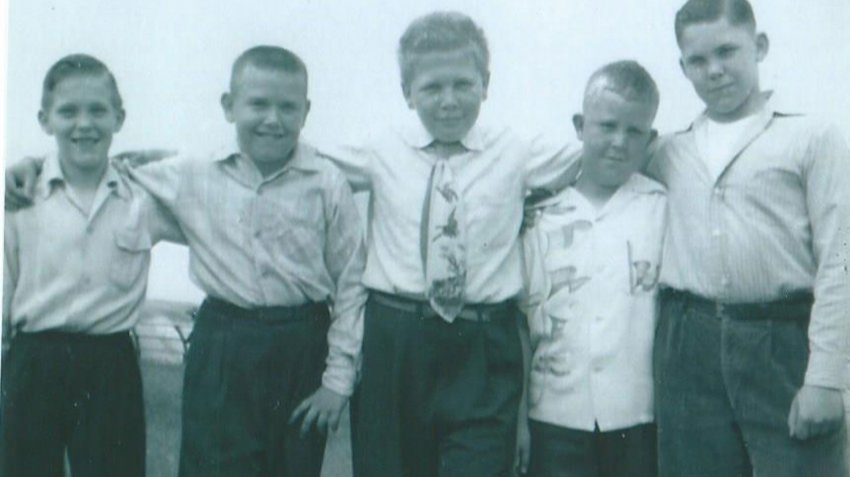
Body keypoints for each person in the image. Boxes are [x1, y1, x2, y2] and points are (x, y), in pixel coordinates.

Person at [4, 46, 369, 477]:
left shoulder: (324, 180)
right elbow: (98, 165)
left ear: (305, 111)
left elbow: (352, 277)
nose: (272, 118)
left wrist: (336, 380)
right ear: (229, 107)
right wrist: (34, 164)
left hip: (300, 340)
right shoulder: (193, 173)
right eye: (258, 104)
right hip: (221, 342)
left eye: (287, 106)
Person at [317, 11, 581, 477]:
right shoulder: (380, 149)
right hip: (395, 341)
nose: (449, 101)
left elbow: (602, 153)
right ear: (407, 92)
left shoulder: (516, 151)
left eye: (463, 84)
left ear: (485, 83)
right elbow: (304, 163)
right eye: (432, 88)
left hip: (483, 345)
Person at [649, 0, 850, 475]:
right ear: (683, 67)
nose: (714, 70)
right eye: (698, 60)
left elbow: (840, 261)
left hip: (782, 341)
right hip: (687, 345)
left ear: (758, 46)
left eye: (727, 51)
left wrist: (827, 378)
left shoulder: (811, 138)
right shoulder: (668, 152)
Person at [1, 54, 185, 477]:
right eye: (68, 111)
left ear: (119, 117)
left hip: (109, 363)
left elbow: (204, 173)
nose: (84, 123)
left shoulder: (144, 198)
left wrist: (142, 156)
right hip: (33, 361)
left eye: (98, 110)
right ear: (45, 120)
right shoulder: (18, 198)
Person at [521, 60, 664, 477]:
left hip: (638, 418)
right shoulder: (539, 216)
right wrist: (518, 422)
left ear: (650, 138)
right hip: (553, 416)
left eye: (634, 131)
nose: (619, 142)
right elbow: (520, 324)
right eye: (606, 126)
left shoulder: (662, 209)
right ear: (580, 125)